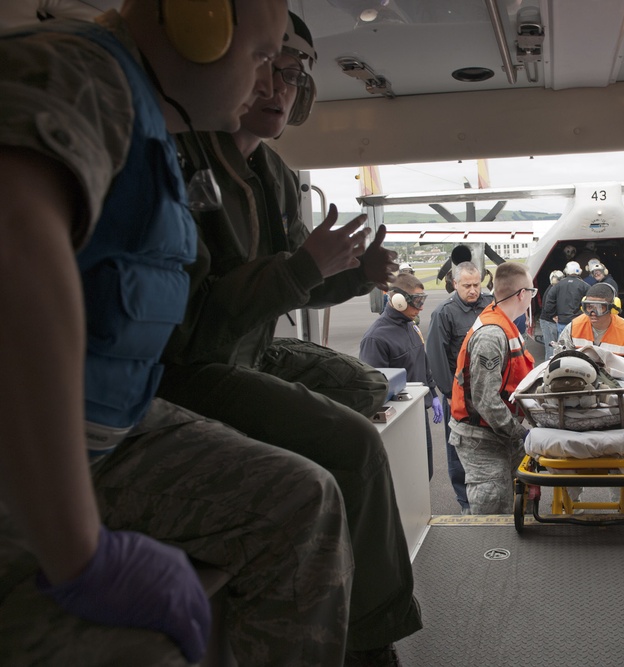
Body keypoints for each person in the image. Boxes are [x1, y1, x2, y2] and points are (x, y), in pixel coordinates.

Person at [0, 2, 358, 665]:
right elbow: (17, 246)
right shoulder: (79, 75)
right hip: (38, 446)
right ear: (200, 25)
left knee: (305, 504)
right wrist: (81, 549)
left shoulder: (150, 121)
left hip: (118, 422)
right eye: (260, 56)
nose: (268, 82)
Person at [158, 12, 422, 664]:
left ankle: (355, 574)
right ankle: (372, 639)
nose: (278, 87)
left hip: (254, 348)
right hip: (195, 364)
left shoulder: (272, 175)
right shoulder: (187, 157)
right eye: (268, 68)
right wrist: (304, 266)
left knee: (363, 387)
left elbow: (295, 287)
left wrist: (349, 273)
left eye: (293, 74)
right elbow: (195, 320)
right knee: (354, 447)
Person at [448, 263, 536, 514]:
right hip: (482, 437)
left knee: (523, 493)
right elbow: (486, 400)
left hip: (500, 431)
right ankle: (492, 553)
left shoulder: (505, 323)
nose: (532, 296)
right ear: (522, 294)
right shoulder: (492, 335)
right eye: (532, 291)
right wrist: (520, 433)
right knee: (493, 504)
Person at [359, 273, 443, 479]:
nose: (421, 306)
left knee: (425, 473)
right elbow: (372, 390)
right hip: (398, 420)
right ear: (397, 300)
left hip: (417, 413)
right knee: (405, 478)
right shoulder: (376, 338)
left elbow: (422, 362)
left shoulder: (410, 326)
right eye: (417, 300)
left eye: (423, 300)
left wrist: (432, 393)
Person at [426, 261, 493, 513]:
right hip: (459, 395)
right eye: (467, 286)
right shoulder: (443, 313)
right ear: (455, 284)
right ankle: (465, 502)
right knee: (458, 449)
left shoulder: (490, 306)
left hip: (488, 392)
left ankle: (490, 494)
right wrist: (449, 393)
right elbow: (436, 356)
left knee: (491, 444)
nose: (473, 290)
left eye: (477, 284)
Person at [557, 283, 624, 362]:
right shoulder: (574, 327)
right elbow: (560, 360)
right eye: (589, 307)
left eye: (600, 307)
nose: (593, 313)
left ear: (612, 308)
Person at [543, 260, 589, 342]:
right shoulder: (585, 286)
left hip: (562, 322)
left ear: (566, 271)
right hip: (579, 322)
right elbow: (591, 303)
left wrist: (552, 315)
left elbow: (548, 302)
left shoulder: (557, 285)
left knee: (563, 347)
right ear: (579, 271)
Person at [539, 269, 564, 361]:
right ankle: (546, 369)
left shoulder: (555, 289)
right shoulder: (552, 290)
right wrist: (554, 315)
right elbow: (547, 306)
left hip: (549, 320)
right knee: (551, 348)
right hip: (548, 321)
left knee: (555, 348)